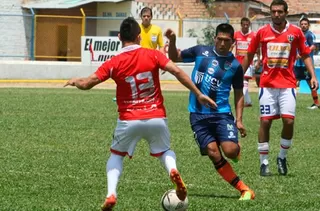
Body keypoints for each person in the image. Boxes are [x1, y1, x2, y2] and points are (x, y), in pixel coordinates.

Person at [64, 17, 217, 211]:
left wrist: (75, 81)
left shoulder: (114, 62)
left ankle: (111, 194)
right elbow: (177, 71)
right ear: (139, 37)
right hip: (156, 117)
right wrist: (198, 93)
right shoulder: (153, 55)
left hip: (129, 120)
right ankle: (172, 169)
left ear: (119, 37)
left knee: (116, 155)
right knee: (165, 151)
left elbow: (87, 84)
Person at [165, 23, 255, 200]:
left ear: (233, 42)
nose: (222, 43)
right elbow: (175, 57)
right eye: (219, 39)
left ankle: (235, 150)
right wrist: (173, 40)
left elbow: (238, 93)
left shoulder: (235, 66)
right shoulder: (200, 51)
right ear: (214, 38)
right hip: (198, 115)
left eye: (226, 40)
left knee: (230, 151)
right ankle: (244, 189)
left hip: (222, 114)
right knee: (213, 152)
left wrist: (239, 119)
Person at [242, 0, 319, 176]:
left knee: (289, 121)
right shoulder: (261, 32)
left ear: (286, 13)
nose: (276, 15)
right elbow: (249, 54)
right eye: (273, 11)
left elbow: (306, 54)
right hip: (267, 85)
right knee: (265, 121)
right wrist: (239, 75)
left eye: (279, 12)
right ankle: (264, 163)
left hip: (288, 85)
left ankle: (282, 157)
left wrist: (313, 75)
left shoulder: (295, 32)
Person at [231, 17, 260, 107]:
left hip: (248, 61)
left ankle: (240, 99)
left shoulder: (253, 35)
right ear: (241, 25)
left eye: (247, 25)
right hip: (237, 61)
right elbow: (231, 45)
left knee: (245, 79)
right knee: (240, 80)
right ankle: (248, 101)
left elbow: (258, 49)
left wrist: (259, 60)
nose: (245, 26)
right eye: (244, 25)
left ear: (249, 25)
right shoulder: (236, 34)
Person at [294, 17, 320, 109]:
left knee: (311, 84)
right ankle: (289, 103)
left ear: (308, 25)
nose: (303, 26)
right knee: (292, 83)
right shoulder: (297, 35)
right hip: (297, 65)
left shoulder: (310, 35)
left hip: (306, 65)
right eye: (302, 24)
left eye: (305, 24)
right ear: (299, 25)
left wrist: (304, 53)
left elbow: (313, 46)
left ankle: (316, 104)